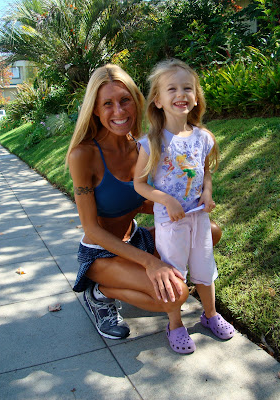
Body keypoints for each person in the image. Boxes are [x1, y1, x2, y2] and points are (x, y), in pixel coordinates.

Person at [66, 63, 222, 347]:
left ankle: (140, 281)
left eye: (125, 100)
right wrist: (151, 264)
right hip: (101, 254)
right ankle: (100, 293)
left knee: (211, 231)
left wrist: (187, 202)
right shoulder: (83, 155)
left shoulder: (142, 145)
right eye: (108, 104)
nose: (119, 111)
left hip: (135, 240)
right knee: (177, 295)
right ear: (96, 110)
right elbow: (91, 228)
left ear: (138, 102)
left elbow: (144, 200)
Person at [134, 59, 235, 354]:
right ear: (158, 100)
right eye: (172, 88)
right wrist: (166, 199)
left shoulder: (203, 137)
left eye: (187, 88)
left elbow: (206, 171)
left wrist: (206, 192)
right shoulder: (151, 142)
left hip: (198, 218)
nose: (181, 94)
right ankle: (175, 323)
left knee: (205, 267)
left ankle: (210, 314)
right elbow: (139, 185)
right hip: (170, 222)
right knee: (175, 273)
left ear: (196, 96)